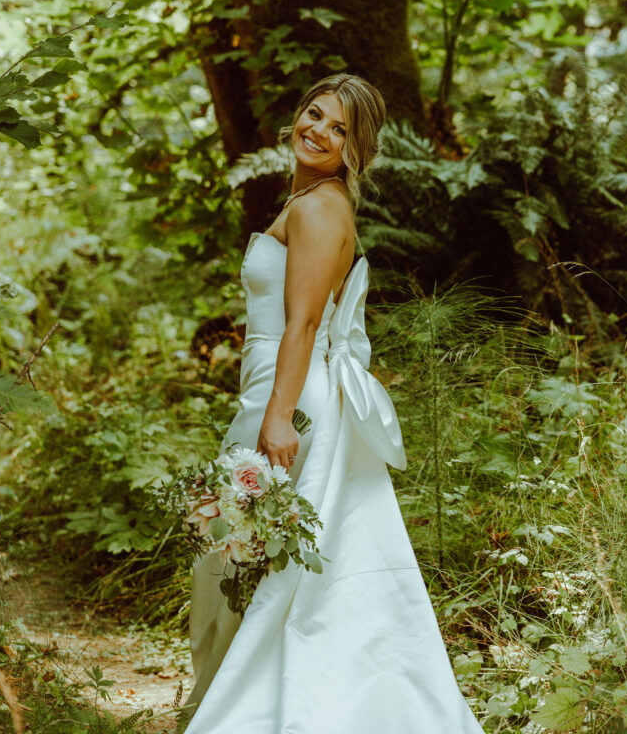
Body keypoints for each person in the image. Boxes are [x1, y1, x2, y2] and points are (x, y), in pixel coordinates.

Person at [181, 74, 483, 733]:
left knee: (262, 559)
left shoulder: (321, 208)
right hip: (277, 385)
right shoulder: (310, 198)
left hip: (294, 393)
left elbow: (304, 324)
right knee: (265, 556)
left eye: (338, 127)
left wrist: (279, 415)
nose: (318, 129)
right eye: (313, 114)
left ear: (358, 147)